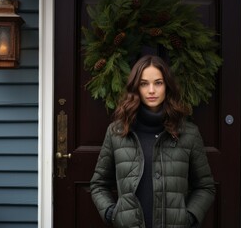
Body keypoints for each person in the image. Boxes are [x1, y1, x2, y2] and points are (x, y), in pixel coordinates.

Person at [90, 55, 216, 228]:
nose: (151, 90)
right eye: (144, 84)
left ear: (167, 86)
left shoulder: (188, 133)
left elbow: (205, 186)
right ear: (136, 87)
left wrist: (188, 218)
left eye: (158, 83)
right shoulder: (116, 132)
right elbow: (98, 184)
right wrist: (112, 214)